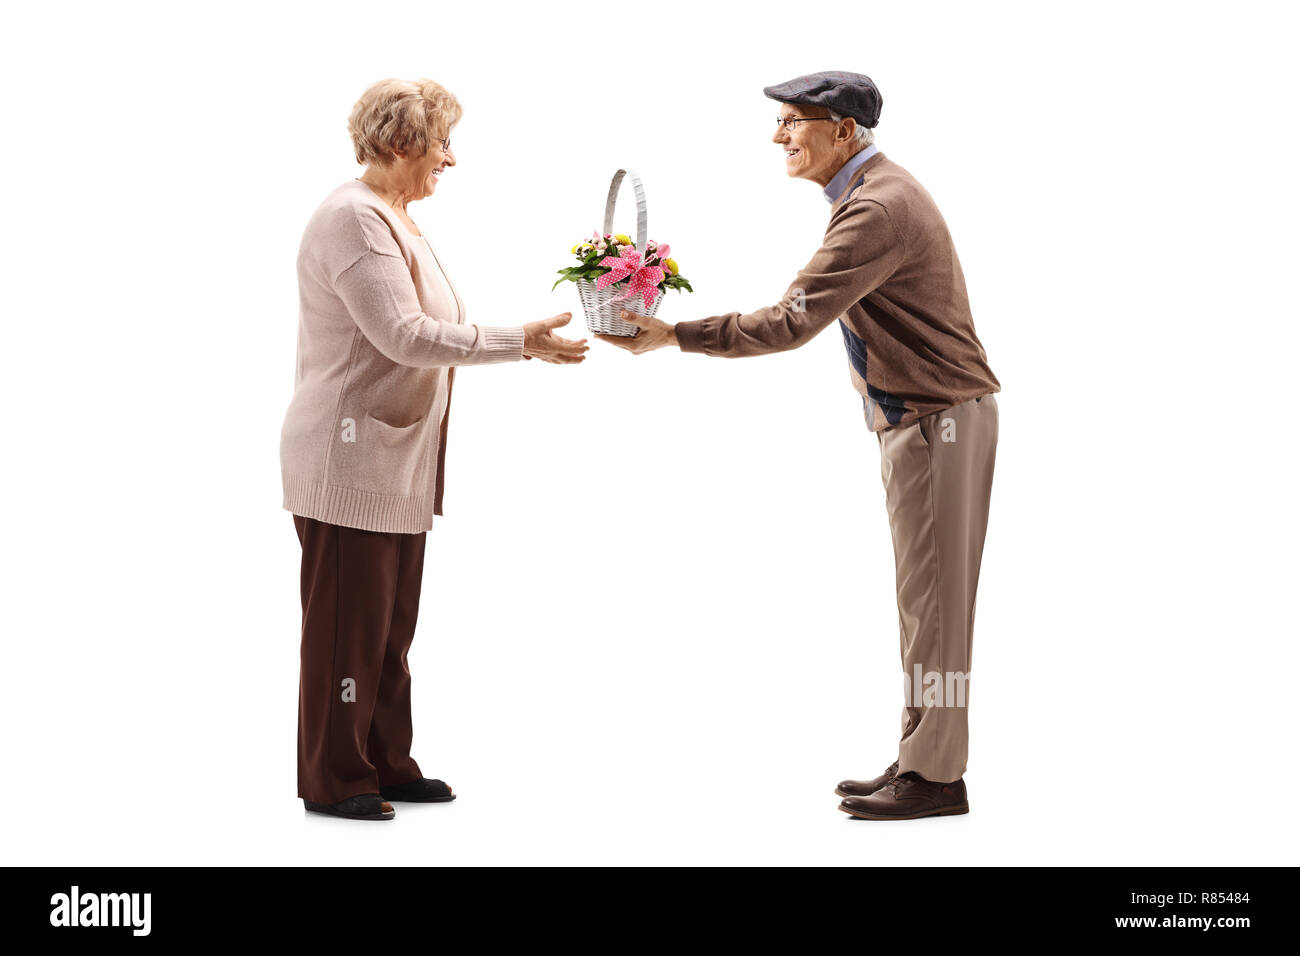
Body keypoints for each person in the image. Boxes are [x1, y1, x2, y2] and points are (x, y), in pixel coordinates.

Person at [598, 71, 1000, 821]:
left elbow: (790, 321)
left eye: (793, 121)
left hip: (940, 421)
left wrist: (672, 336)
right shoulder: (866, 193)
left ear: (843, 132)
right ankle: (922, 754)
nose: (778, 136)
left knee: (937, 608)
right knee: (924, 606)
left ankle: (939, 776)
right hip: (921, 419)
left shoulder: (877, 206)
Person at [279, 77, 587, 821]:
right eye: (441, 142)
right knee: (347, 631)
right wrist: (520, 344)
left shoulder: (394, 218)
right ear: (397, 143)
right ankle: (335, 776)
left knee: (387, 628)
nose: (451, 158)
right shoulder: (353, 220)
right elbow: (405, 336)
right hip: (347, 460)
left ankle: (385, 761)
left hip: (396, 462)